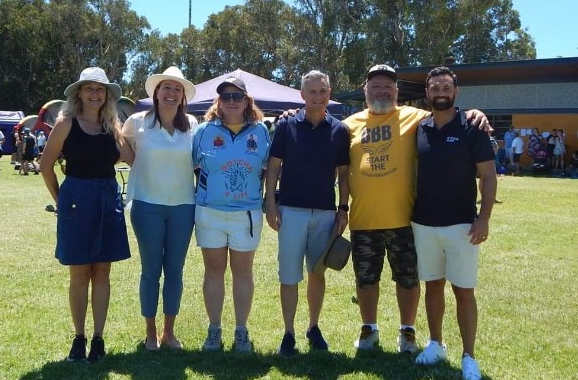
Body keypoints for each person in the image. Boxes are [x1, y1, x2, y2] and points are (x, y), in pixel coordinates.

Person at [342, 64, 489, 354]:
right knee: (366, 278)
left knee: (407, 279)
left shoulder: (415, 117)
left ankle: (407, 332)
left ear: (396, 92)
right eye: (376, 86)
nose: (381, 90)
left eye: (387, 86)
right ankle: (368, 329)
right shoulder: (348, 125)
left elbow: (447, 112)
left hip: (405, 219)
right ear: (365, 91)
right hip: (363, 218)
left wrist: (476, 113)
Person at [40, 67, 133, 363]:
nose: (95, 93)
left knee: (102, 271)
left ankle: (98, 339)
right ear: (79, 93)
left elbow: (135, 158)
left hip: (107, 199)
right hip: (76, 200)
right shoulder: (66, 123)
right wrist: (61, 200)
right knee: (79, 272)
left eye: (100, 89)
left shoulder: (113, 126)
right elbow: (45, 165)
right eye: (89, 88)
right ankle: (79, 338)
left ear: (106, 95)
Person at [411, 66, 496, 380]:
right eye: (435, 88)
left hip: (462, 225)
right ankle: (436, 344)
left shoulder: (473, 128)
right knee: (432, 285)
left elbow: (488, 177)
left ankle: (469, 356)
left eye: (446, 87)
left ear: (456, 92)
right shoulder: (420, 127)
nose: (440, 92)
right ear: (428, 93)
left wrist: (484, 217)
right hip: (423, 223)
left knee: (463, 291)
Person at [264, 70, 350, 356]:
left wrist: (343, 208)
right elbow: (274, 168)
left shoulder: (339, 130)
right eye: (312, 91)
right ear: (302, 95)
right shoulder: (287, 126)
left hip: (325, 213)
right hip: (290, 212)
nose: (318, 96)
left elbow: (344, 174)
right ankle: (288, 333)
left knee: (317, 272)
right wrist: (271, 204)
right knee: (289, 275)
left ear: (329, 92)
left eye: (323, 91)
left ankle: (313, 327)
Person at [122, 66, 198, 351]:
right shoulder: (137, 121)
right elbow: (120, 142)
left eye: (177, 89)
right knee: (150, 270)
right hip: (146, 205)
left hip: (183, 208)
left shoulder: (192, 124)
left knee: (175, 271)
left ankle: (170, 332)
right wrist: (138, 165)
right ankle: (150, 333)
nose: (172, 93)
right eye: (166, 87)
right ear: (156, 92)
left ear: (182, 97)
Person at [192, 75, 271, 352]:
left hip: (246, 214)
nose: (232, 102)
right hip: (209, 213)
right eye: (226, 97)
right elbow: (189, 165)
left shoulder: (261, 132)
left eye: (237, 96)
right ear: (219, 101)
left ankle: (241, 330)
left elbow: (271, 169)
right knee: (213, 271)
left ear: (247, 100)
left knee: (243, 272)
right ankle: (214, 330)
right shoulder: (203, 132)